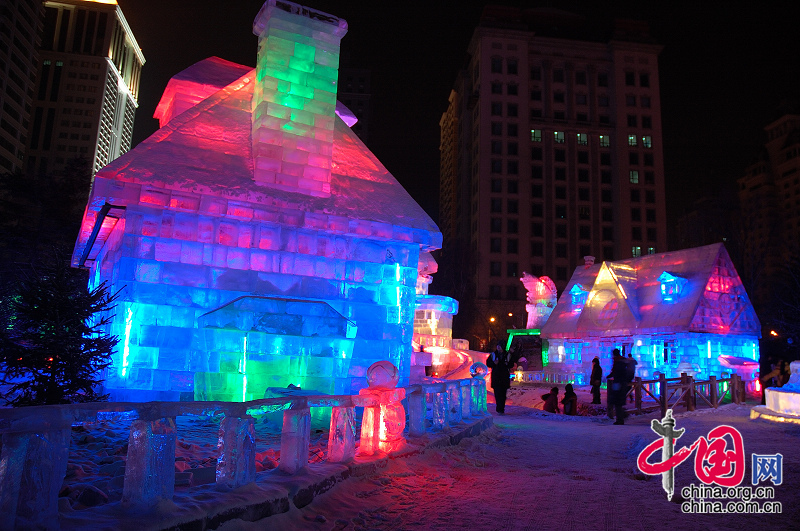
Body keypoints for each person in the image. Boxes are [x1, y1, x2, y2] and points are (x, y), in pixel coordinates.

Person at [486, 342, 515, 415]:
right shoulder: (493, 354)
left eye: (500, 346)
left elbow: (511, 364)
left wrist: (507, 364)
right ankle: (499, 408)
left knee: (503, 394)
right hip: (496, 376)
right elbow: (488, 363)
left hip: (504, 377)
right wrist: (494, 363)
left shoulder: (507, 355)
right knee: (497, 393)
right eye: (497, 346)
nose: (498, 348)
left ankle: (501, 408)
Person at [607, 349, 628, 424]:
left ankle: (620, 419)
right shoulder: (622, 361)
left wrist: (610, 376)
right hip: (622, 383)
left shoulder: (618, 361)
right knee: (618, 402)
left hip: (618, 383)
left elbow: (616, 372)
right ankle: (622, 416)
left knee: (617, 401)